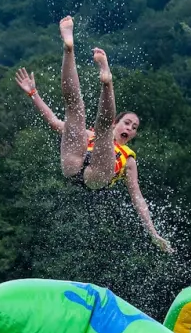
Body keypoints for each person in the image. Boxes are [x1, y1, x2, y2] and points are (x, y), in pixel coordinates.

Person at [14, 18, 172, 252]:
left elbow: (137, 198)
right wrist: (33, 93)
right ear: (119, 123)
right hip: (73, 164)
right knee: (74, 112)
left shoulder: (128, 160)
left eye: (134, 127)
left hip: (96, 177)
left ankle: (107, 82)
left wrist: (153, 233)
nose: (129, 129)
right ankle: (69, 48)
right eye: (127, 123)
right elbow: (55, 122)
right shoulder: (92, 134)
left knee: (100, 130)